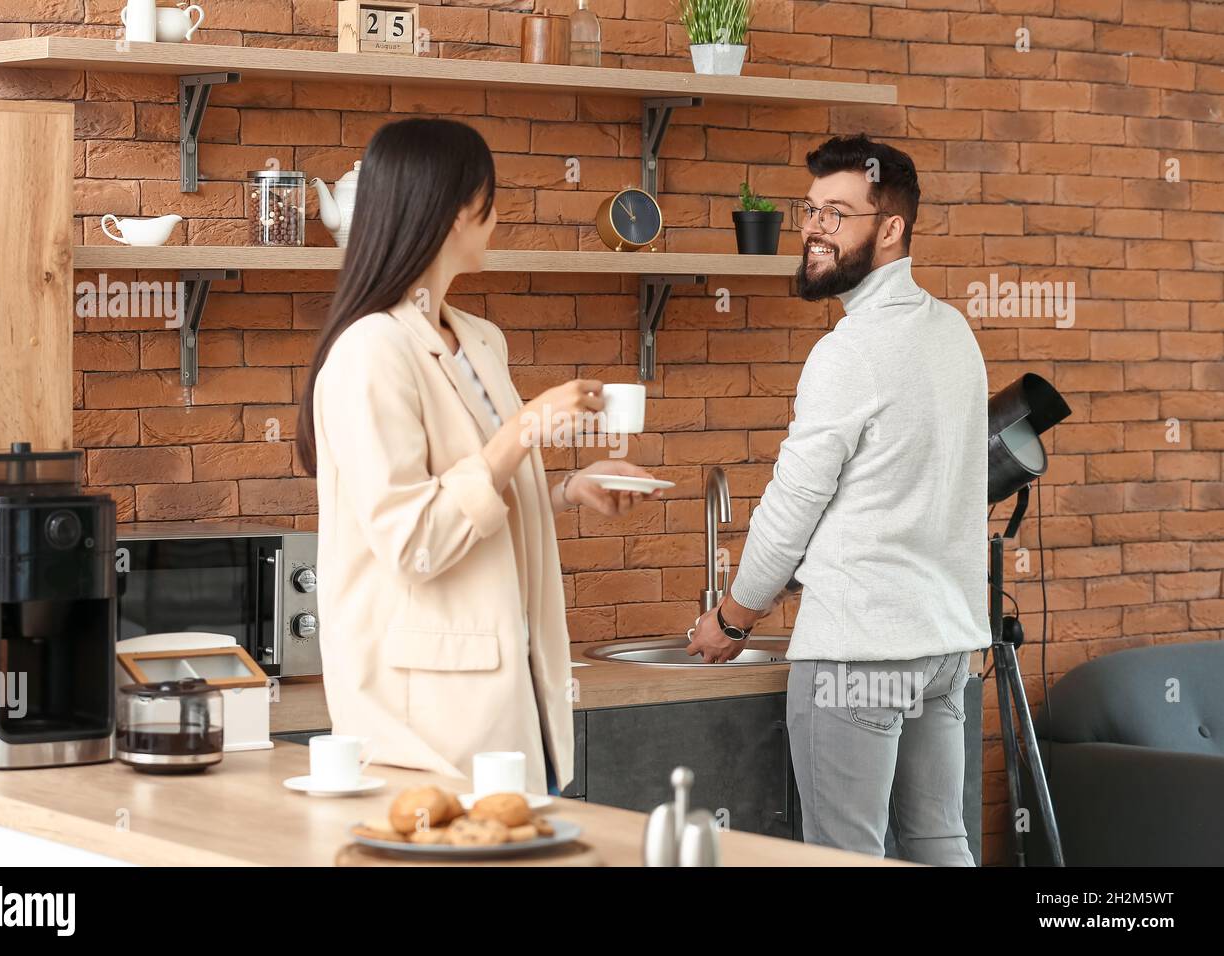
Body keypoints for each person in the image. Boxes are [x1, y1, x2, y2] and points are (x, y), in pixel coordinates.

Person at [298, 118, 661, 797]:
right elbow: (416, 540)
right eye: (491, 203)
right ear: (461, 209)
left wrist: (569, 489)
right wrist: (525, 429)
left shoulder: (477, 339)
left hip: (518, 702)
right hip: (429, 730)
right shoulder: (370, 352)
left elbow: (474, 494)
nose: (496, 220)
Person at [686, 134, 990, 865]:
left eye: (839, 213)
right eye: (810, 209)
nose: (815, 229)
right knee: (937, 842)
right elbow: (906, 490)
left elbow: (793, 503)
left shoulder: (847, 352)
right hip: (944, 645)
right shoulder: (953, 332)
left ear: (891, 230)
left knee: (842, 856)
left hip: (860, 651)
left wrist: (733, 616)